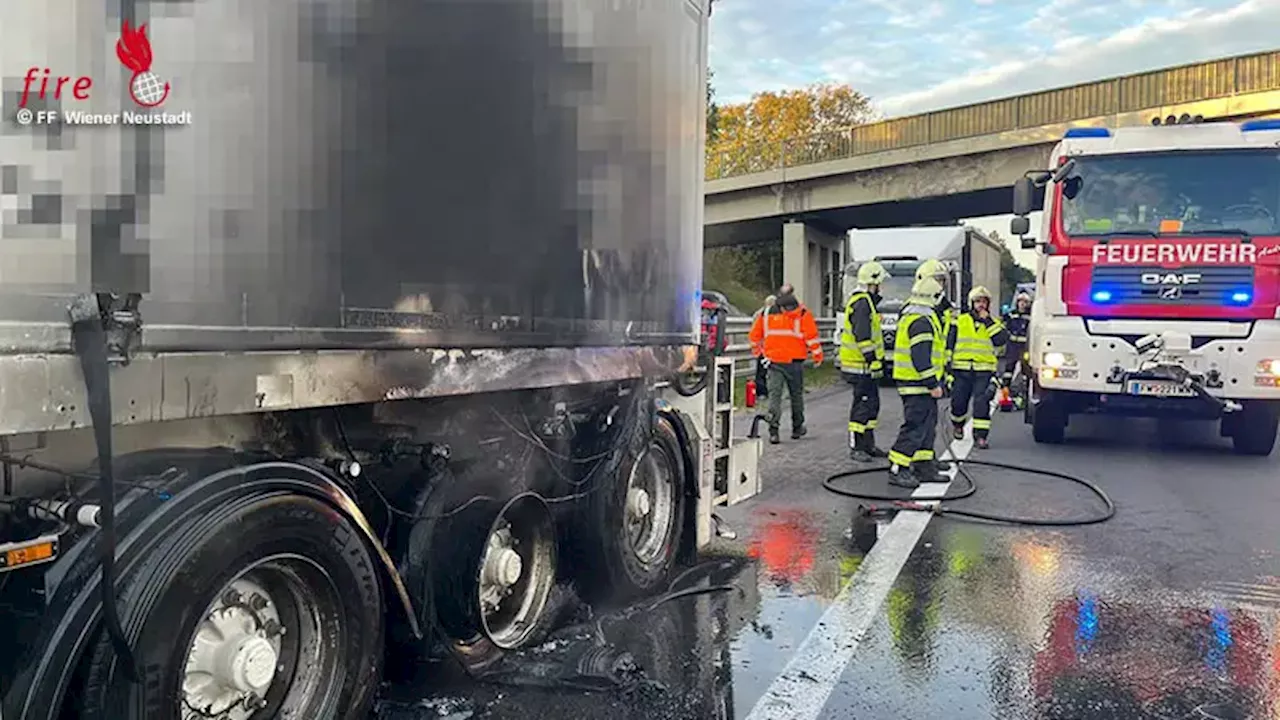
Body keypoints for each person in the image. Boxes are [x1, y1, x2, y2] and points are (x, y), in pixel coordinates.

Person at [887, 276, 949, 489]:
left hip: (917, 382)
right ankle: (898, 468)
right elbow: (920, 356)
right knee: (914, 426)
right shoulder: (921, 320)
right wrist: (933, 383)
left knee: (926, 426)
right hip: (916, 383)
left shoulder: (919, 315)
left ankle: (923, 466)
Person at [749, 285, 823, 444]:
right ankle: (797, 428)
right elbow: (812, 337)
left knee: (775, 397)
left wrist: (759, 354)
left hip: (774, 362)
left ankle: (773, 431)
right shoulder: (803, 314)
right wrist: (817, 356)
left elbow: (755, 336)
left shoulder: (766, 313)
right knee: (796, 396)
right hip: (795, 362)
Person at [948, 286, 1008, 449]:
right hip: (961, 369)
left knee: (981, 403)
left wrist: (987, 321)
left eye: (984, 302)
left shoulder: (994, 323)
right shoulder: (959, 320)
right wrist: (947, 368)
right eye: (977, 301)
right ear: (971, 303)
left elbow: (1001, 340)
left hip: (984, 370)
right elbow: (949, 343)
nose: (981, 305)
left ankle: (980, 436)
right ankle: (958, 425)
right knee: (958, 402)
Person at [840, 261, 889, 462]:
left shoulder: (866, 302)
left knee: (871, 405)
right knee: (861, 406)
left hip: (865, 366)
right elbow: (863, 337)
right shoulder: (862, 303)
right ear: (873, 282)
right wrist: (873, 360)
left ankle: (868, 444)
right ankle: (856, 446)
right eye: (880, 283)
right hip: (859, 366)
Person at [1000, 292, 1032, 396]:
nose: (1022, 304)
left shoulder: (1031, 316)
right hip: (1012, 346)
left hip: (1025, 347)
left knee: (1026, 369)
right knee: (1009, 368)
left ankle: (1025, 391)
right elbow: (1004, 326)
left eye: (1025, 302)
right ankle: (1005, 389)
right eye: (1020, 301)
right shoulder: (1011, 314)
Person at [753, 295, 777, 400]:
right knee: (769, 370)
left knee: (763, 370)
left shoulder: (760, 314)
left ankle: (763, 392)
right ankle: (767, 391)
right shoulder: (762, 314)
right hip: (769, 347)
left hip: (766, 347)